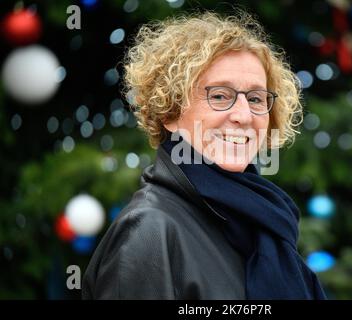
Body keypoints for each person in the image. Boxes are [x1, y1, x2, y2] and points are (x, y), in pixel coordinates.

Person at [82, 11, 326, 300]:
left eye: (256, 99)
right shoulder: (148, 231)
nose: (243, 115)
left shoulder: (265, 221)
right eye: (220, 96)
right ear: (170, 112)